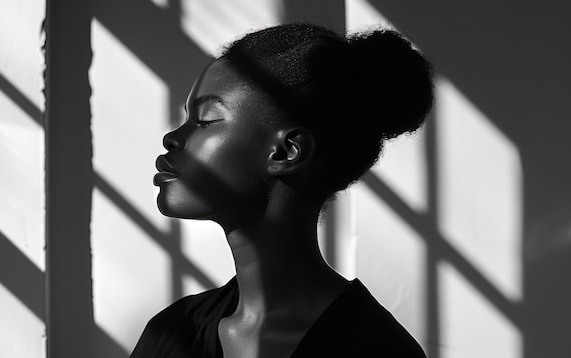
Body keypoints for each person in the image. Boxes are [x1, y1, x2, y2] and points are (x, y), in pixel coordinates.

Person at [131, 23, 434, 358]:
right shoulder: (172, 334)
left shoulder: (378, 351)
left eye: (204, 120)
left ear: (287, 152)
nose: (172, 138)